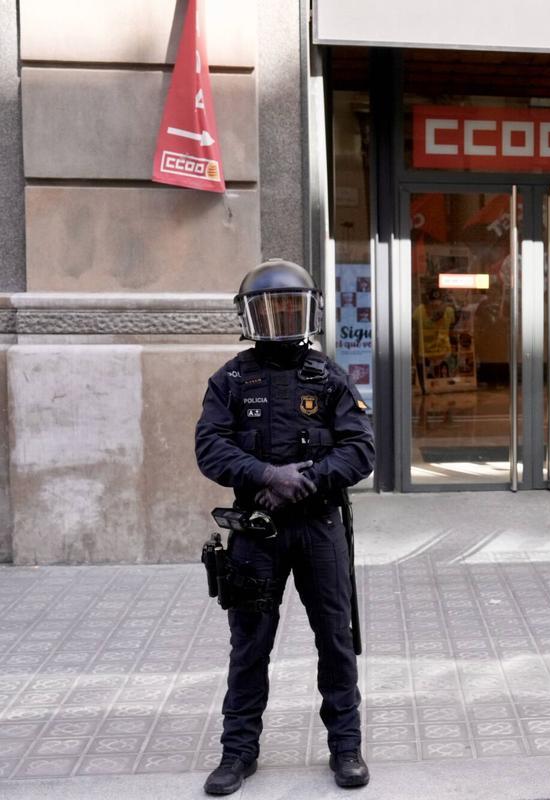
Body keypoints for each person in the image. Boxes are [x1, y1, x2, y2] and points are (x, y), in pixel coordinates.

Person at [195, 259, 375, 795]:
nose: (279, 320)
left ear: (310, 312)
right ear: (249, 316)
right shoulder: (229, 379)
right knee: (249, 644)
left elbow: (361, 448)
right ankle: (237, 753)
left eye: (290, 309)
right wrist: (264, 474)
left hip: (319, 528)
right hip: (256, 532)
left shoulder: (329, 376)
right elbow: (209, 447)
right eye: (268, 310)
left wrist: (309, 480)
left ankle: (346, 748)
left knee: (335, 642)